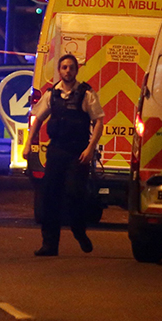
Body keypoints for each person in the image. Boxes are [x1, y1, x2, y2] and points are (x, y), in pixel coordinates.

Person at [22, 53, 105, 257]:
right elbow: (37, 119)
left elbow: (99, 122)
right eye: (64, 67)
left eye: (71, 67)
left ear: (76, 70)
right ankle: (49, 244)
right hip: (56, 150)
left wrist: (90, 148)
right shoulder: (52, 94)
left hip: (77, 152)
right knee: (50, 196)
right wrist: (27, 144)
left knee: (75, 194)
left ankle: (79, 230)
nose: (67, 71)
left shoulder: (86, 94)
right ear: (59, 70)